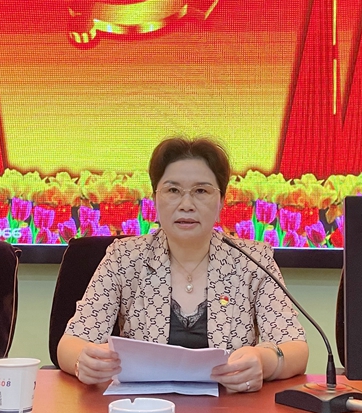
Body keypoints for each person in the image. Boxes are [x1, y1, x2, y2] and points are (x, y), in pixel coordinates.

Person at [57, 137, 308, 393]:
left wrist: (265, 362)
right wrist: (82, 362)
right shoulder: (124, 257)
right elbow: (70, 344)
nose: (186, 205)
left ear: (221, 200)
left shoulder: (253, 260)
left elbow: (295, 348)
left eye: (201, 191)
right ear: (155, 198)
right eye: (173, 191)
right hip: (144, 410)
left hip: (232, 408)